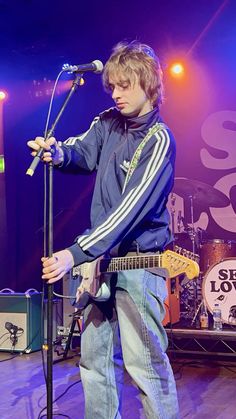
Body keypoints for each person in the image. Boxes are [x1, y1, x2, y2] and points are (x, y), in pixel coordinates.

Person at [28, 41, 179, 419]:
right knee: (94, 364)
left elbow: (127, 213)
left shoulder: (158, 140)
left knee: (145, 367)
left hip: (139, 265)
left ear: (148, 84)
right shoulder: (107, 121)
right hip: (102, 262)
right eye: (112, 86)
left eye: (125, 85)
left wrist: (74, 254)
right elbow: (81, 150)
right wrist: (58, 152)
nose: (116, 93)